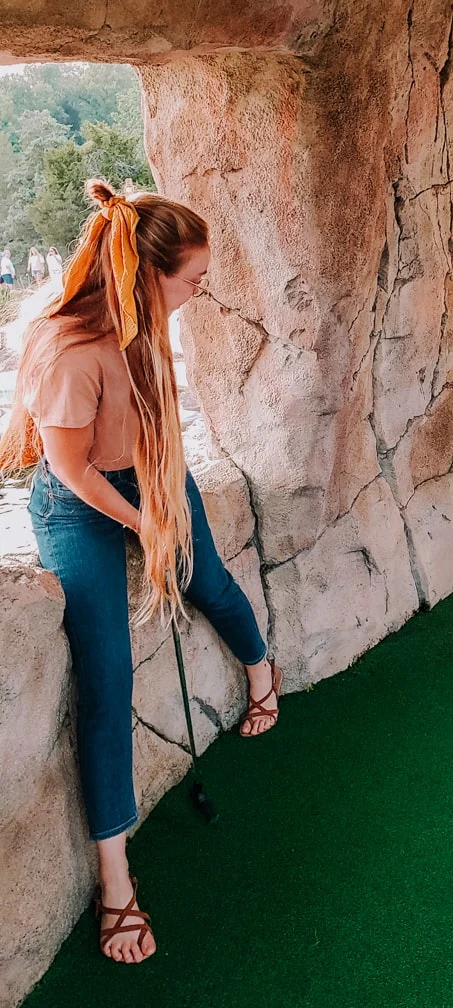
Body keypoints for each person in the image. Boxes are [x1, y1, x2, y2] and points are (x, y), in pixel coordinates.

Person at [0, 179, 282, 965]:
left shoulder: (148, 322)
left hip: (149, 476)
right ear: (147, 272)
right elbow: (72, 470)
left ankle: (264, 671)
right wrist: (147, 526)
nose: (200, 291)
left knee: (210, 583)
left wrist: (164, 503)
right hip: (82, 505)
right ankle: (116, 884)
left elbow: (154, 422)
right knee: (107, 680)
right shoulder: (68, 349)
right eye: (191, 279)